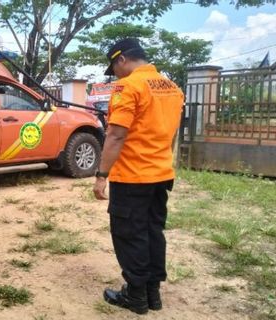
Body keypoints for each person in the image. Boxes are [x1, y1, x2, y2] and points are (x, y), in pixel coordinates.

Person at [92, 38, 184, 314]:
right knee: (152, 232)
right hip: (160, 173)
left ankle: (135, 296)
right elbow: (171, 133)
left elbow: (117, 134)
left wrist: (101, 175)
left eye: (113, 68)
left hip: (132, 175)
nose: (114, 75)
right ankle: (152, 294)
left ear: (121, 60)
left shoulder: (128, 85)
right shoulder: (171, 87)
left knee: (130, 234)